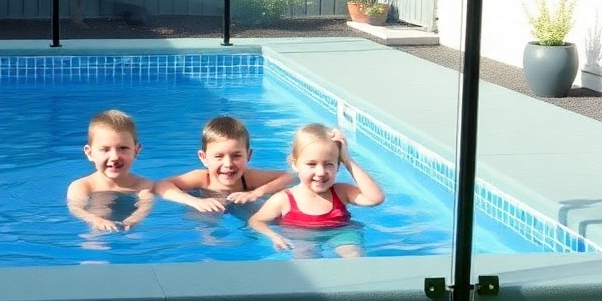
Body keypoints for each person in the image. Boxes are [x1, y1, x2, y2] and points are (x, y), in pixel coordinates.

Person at [247, 123, 384, 256]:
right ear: (295, 164)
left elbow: (375, 198)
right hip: (303, 236)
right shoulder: (284, 199)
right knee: (305, 255)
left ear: (338, 165)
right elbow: (256, 221)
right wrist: (273, 236)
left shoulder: (341, 191)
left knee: (354, 255)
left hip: (341, 232)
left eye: (329, 164)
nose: (320, 172)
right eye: (311, 164)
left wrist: (347, 159)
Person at [153, 115, 293, 214]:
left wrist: (255, 193)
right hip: (206, 202)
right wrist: (194, 201)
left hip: (244, 202)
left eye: (236, 156)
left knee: (258, 218)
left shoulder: (249, 177)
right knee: (205, 224)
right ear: (204, 158)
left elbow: (289, 177)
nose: (228, 164)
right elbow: (160, 186)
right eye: (218, 156)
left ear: (248, 155)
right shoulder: (202, 178)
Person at [66, 109, 154, 232]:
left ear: (136, 150)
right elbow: (76, 208)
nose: (114, 157)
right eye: (105, 149)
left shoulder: (143, 185)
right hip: (98, 224)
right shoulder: (82, 186)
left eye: (123, 148)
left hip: (129, 224)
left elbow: (145, 206)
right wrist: (96, 220)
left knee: (137, 240)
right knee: (93, 241)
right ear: (90, 153)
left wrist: (133, 220)